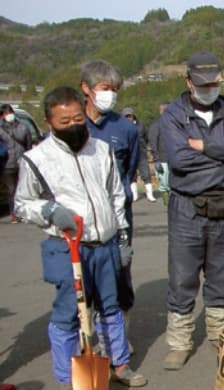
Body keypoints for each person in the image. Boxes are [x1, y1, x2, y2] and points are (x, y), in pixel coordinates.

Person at [14, 86, 146, 390]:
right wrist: (48, 212)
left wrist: (122, 237)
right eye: (64, 121)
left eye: (77, 118)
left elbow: (116, 195)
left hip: (104, 243)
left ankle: (119, 364)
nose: (73, 125)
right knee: (68, 314)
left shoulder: (101, 150)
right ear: (49, 122)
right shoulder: (36, 159)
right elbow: (22, 204)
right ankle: (66, 378)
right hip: (66, 246)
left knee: (111, 308)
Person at [160, 51, 224, 370]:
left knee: (221, 274)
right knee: (183, 275)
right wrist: (223, 151)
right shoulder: (173, 115)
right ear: (188, 82)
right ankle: (180, 342)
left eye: (214, 83)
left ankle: (218, 335)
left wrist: (202, 146)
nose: (210, 88)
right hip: (187, 206)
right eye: (203, 83)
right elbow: (179, 160)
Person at [79, 60, 139, 350]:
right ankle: (87, 342)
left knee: (119, 280)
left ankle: (117, 343)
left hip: (117, 220)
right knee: (82, 286)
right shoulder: (72, 125)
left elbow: (130, 170)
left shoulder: (125, 128)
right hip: (80, 222)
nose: (110, 95)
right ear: (86, 89)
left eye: (115, 90)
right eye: (105, 89)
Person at [0, 104, 34, 221]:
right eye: (6, 113)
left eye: (9, 113)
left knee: (23, 189)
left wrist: (28, 160)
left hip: (21, 162)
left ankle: (23, 212)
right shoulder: (1, 129)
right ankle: (15, 213)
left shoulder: (23, 127)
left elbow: (29, 145)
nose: (8, 115)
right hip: (7, 164)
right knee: (12, 190)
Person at [121, 107, 157, 202]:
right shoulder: (122, 127)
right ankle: (134, 194)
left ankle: (150, 194)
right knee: (131, 175)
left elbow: (145, 137)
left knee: (146, 173)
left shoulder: (141, 125)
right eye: (126, 116)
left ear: (133, 116)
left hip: (141, 152)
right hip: (128, 154)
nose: (128, 117)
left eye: (130, 115)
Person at [148, 102, 171, 198]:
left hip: (174, 159)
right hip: (162, 159)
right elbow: (153, 142)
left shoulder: (175, 123)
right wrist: (156, 159)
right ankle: (167, 201)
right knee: (165, 184)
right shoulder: (156, 125)